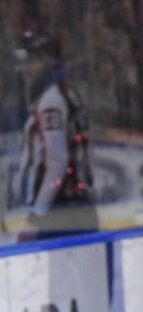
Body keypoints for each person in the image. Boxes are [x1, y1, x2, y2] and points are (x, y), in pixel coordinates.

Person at [14, 32, 98, 240]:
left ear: (46, 62)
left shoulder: (51, 101)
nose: (26, 69)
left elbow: (58, 161)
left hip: (62, 212)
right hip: (70, 207)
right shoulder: (60, 94)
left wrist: (37, 215)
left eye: (32, 62)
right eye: (25, 62)